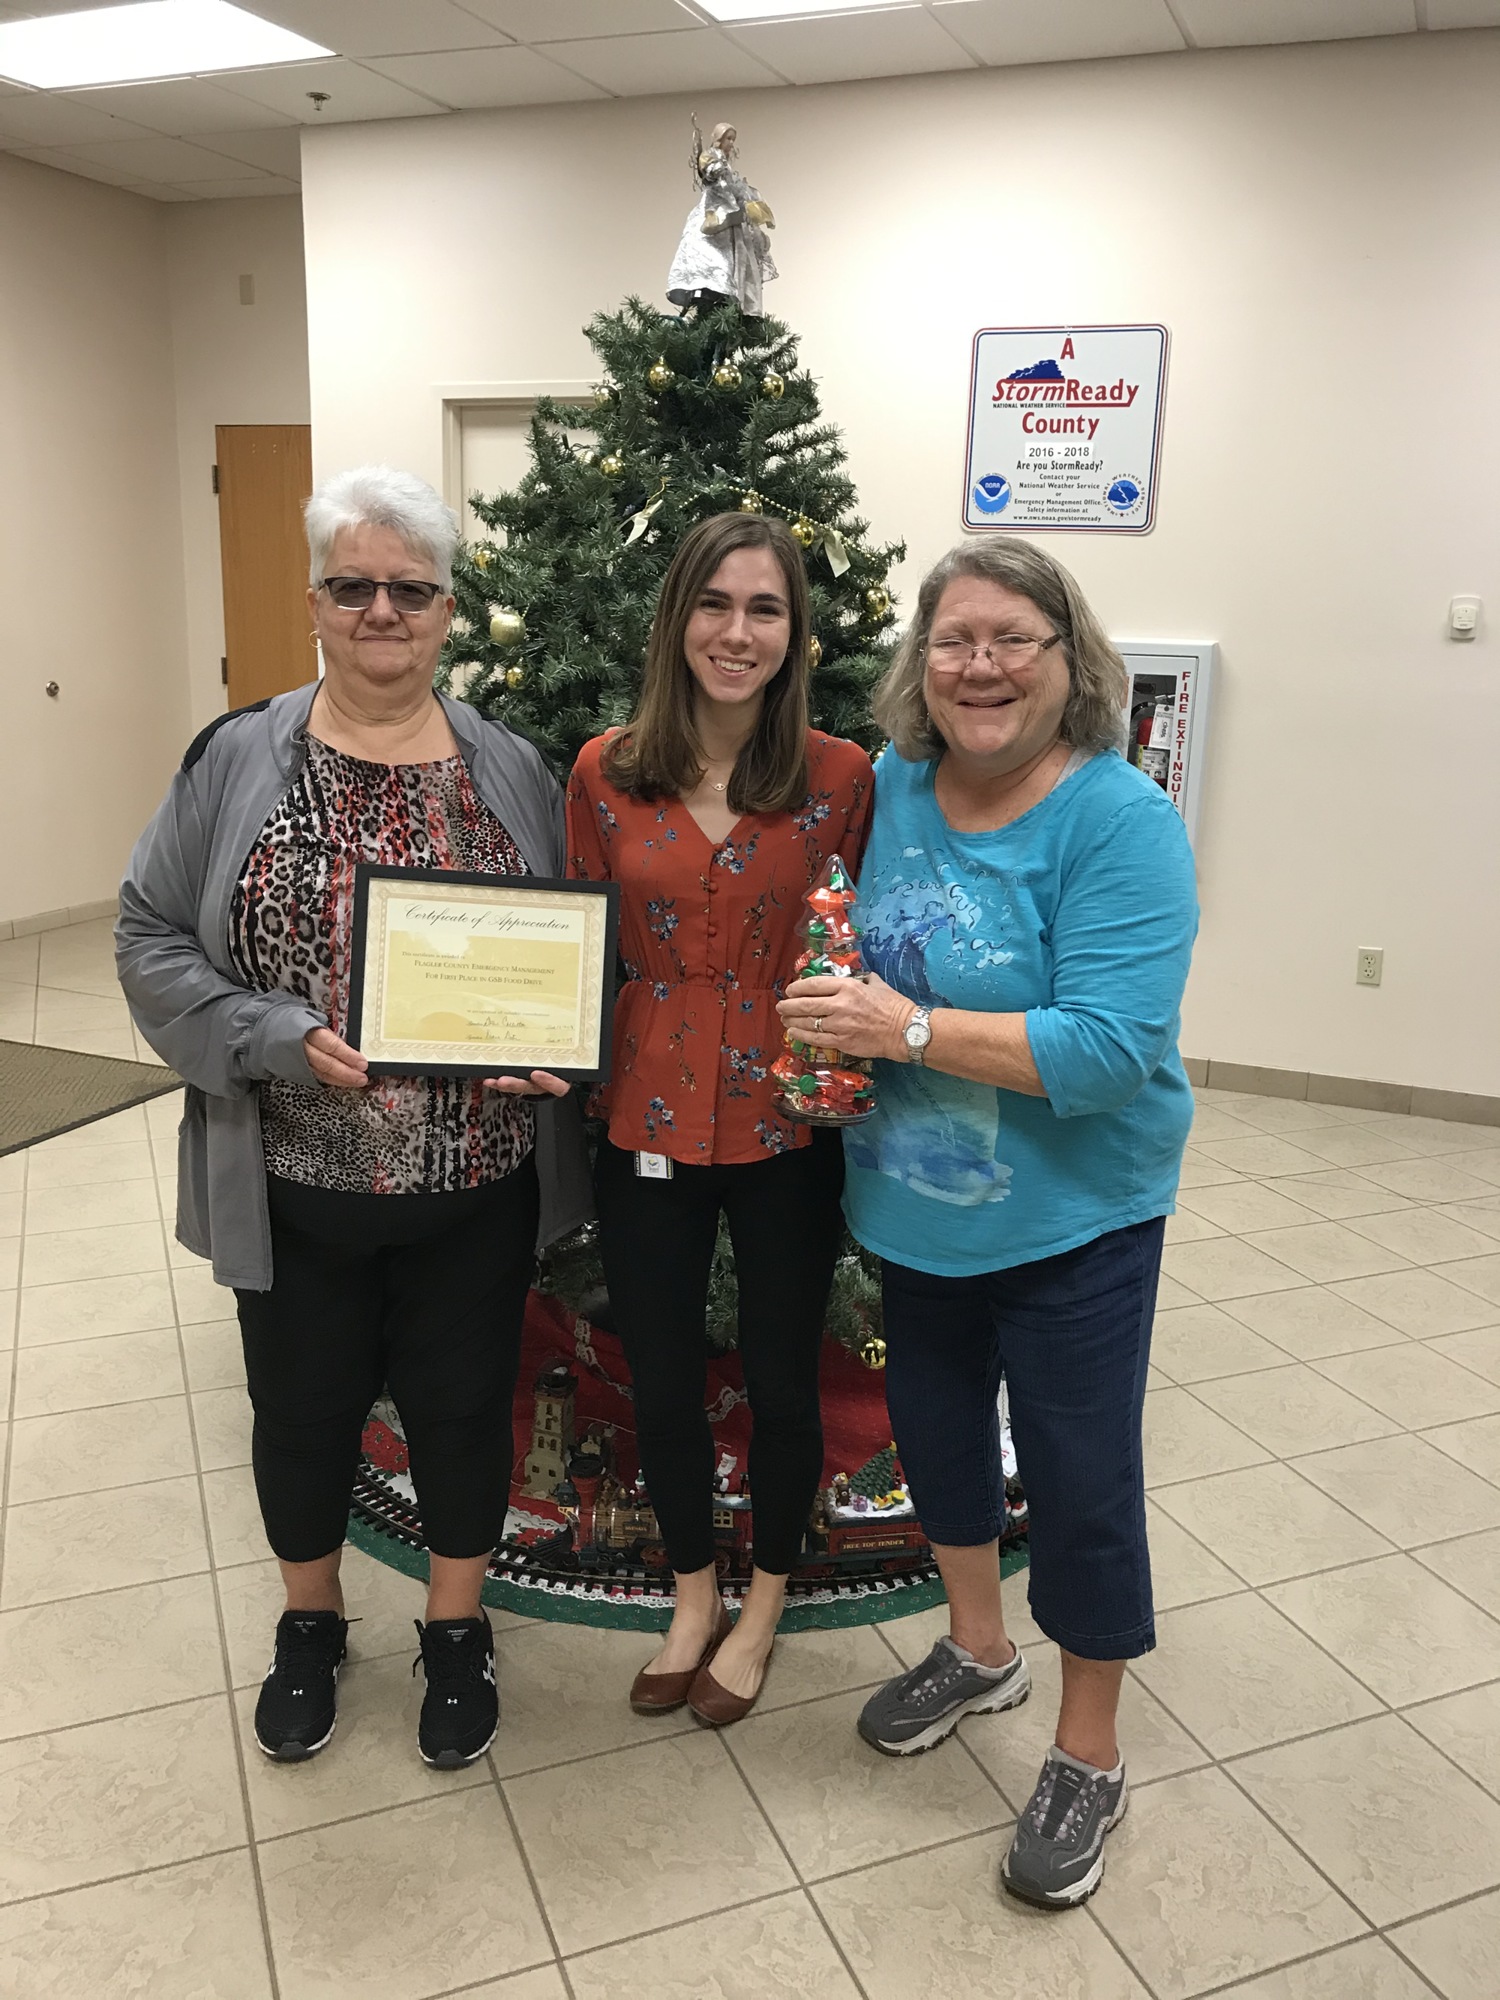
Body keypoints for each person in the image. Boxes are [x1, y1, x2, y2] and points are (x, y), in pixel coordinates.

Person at [117, 466, 590, 1771]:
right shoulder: (234, 758)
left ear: (448, 607)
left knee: (459, 1408)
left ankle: (454, 1629)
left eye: (411, 589)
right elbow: (149, 932)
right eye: (354, 586)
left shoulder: (513, 770)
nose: (383, 609)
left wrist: (547, 1050)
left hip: (475, 1190)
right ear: (317, 599)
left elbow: (569, 953)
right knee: (303, 1413)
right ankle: (313, 1623)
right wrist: (268, 1035)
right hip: (291, 1188)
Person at [777, 537, 1197, 1908]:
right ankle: (979, 1648)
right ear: (921, 660)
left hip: (1076, 1222)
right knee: (942, 1450)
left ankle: (1089, 1748)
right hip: (912, 1212)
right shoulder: (889, 785)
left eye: (1015, 638)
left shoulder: (1118, 819)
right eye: (957, 639)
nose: (982, 666)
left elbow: (1107, 1053)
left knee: (1080, 1488)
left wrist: (904, 1026)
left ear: (1069, 661)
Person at [567, 512, 872, 1725]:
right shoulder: (604, 768)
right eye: (714, 604)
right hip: (642, 1106)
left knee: (787, 1377)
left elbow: (863, 938)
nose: (736, 633)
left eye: (765, 610)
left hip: (788, 1118)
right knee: (661, 1372)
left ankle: (765, 1604)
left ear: (794, 634)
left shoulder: (842, 777)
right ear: (676, 619)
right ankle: (694, 1592)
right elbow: (576, 947)